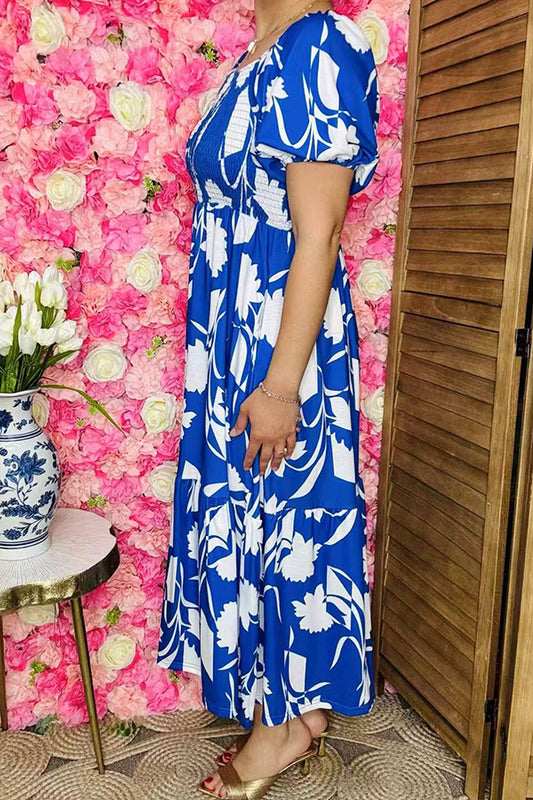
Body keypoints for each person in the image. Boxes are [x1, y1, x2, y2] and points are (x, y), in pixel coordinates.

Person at [157, 0, 380, 796]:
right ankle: (291, 711)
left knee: (282, 518)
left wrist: (282, 385)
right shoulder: (257, 54)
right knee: (254, 518)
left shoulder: (317, 43)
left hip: (279, 344)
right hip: (231, 335)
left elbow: (317, 232)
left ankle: (279, 729)